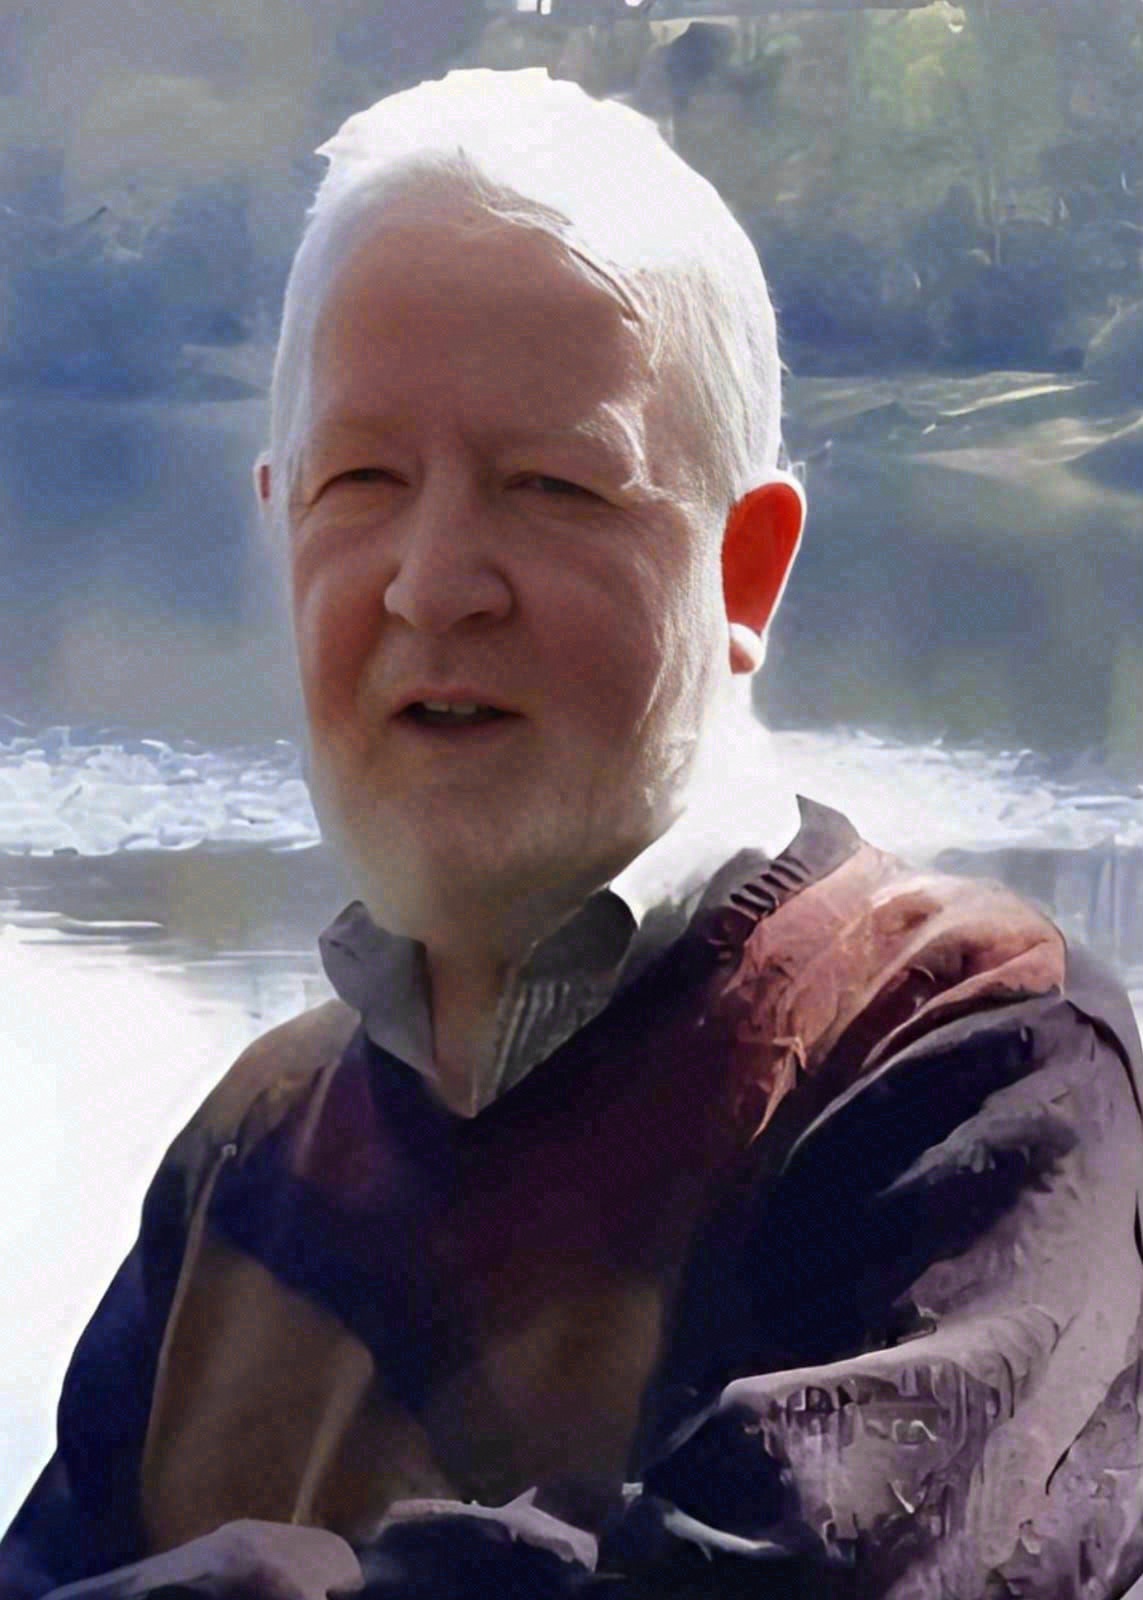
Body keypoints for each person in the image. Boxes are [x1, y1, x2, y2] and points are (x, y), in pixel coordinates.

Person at [3, 67, 1142, 1600]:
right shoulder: (248, 1150)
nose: (431, 584)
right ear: (278, 523)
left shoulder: (972, 1057)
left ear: (744, 575)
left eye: (551, 485)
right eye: (361, 481)